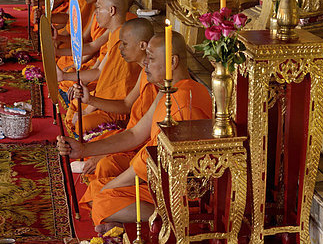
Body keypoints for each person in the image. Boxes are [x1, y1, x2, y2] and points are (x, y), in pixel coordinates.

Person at [57, 31, 212, 230]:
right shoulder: (167, 90)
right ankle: (126, 219)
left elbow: (154, 163)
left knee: (103, 200)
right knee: (98, 190)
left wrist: (111, 188)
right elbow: (135, 133)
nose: (145, 63)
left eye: (151, 58)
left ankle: (180, 222)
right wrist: (83, 150)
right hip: (155, 173)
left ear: (173, 62)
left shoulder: (183, 102)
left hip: (181, 190)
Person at [69, 17, 156, 176]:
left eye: (125, 44)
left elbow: (146, 134)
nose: (120, 49)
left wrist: (107, 153)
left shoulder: (157, 79)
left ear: (142, 45)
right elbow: (126, 104)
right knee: (96, 144)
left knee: (106, 166)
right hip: (133, 133)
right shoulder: (146, 72)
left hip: (145, 144)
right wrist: (90, 100)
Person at [59, 0, 141, 133]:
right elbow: (100, 71)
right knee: (74, 106)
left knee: (80, 124)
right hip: (102, 98)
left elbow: (116, 91)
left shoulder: (125, 42)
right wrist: (64, 75)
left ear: (111, 10)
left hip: (115, 108)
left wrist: (89, 108)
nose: (95, 12)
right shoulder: (115, 33)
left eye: (98, 8)